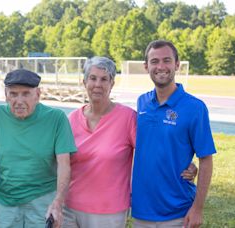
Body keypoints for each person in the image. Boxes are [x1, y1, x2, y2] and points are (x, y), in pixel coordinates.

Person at [63, 56, 198, 228]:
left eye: (104, 79)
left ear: (112, 84)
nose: (98, 84)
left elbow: (153, 150)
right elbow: (60, 161)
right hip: (69, 209)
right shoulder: (71, 119)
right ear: (84, 82)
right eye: (93, 78)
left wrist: (186, 163)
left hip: (108, 212)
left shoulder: (127, 118)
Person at [0, 69, 77, 228]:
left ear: (37, 94)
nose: (19, 100)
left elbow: (64, 164)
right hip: (5, 200)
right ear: (6, 95)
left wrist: (58, 202)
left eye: (26, 94)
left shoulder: (57, 118)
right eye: (13, 94)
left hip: (43, 198)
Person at [132, 40, 216, 228]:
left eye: (167, 60)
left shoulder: (195, 108)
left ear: (177, 64)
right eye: (154, 61)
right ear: (146, 67)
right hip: (141, 211)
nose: (160, 66)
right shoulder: (142, 102)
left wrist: (198, 208)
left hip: (178, 212)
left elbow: (206, 159)